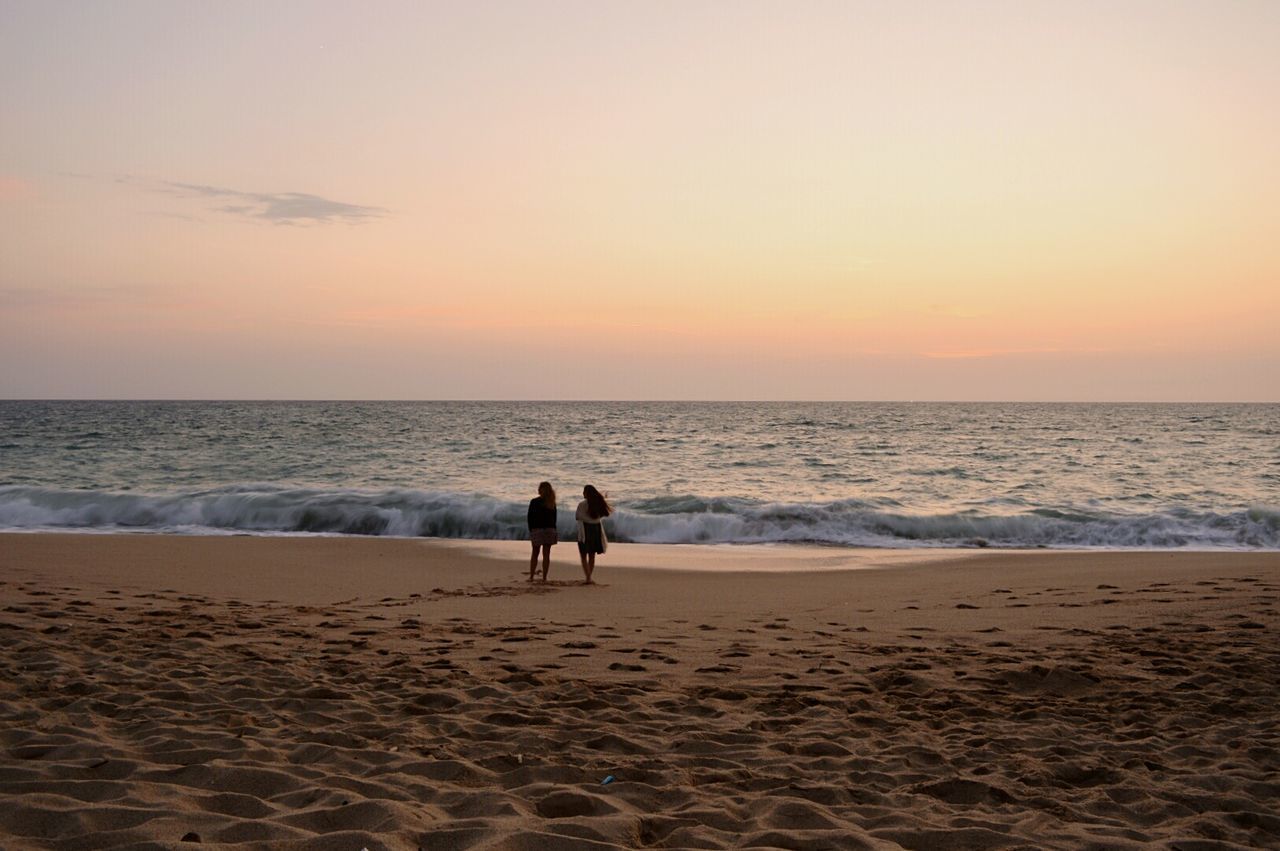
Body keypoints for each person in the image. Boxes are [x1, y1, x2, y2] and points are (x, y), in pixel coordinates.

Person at [575, 484, 612, 584]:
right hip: (596, 530)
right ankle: (589, 577)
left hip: (585, 530)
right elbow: (603, 515)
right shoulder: (598, 503)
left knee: (583, 555)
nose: (582, 493)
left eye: (584, 491)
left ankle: (588, 578)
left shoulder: (582, 504)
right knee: (592, 556)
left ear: (587, 493)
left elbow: (577, 516)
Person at [527, 481, 557, 582]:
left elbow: (530, 517)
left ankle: (531, 576)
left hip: (537, 529)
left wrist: (531, 529)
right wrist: (554, 530)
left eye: (539, 488)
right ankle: (544, 577)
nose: (538, 490)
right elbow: (554, 518)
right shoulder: (552, 502)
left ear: (541, 490)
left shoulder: (534, 502)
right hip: (549, 529)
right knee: (546, 554)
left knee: (535, 553)